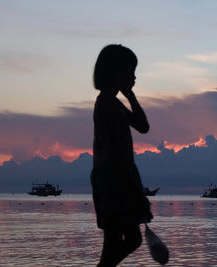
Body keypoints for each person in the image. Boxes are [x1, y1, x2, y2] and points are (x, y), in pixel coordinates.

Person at [90, 44, 153, 267]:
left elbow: (143, 126)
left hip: (114, 178)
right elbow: (118, 154)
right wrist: (138, 192)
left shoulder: (113, 103)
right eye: (131, 72)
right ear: (117, 73)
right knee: (118, 242)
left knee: (129, 240)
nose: (135, 77)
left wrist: (131, 95)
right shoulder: (106, 104)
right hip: (113, 179)